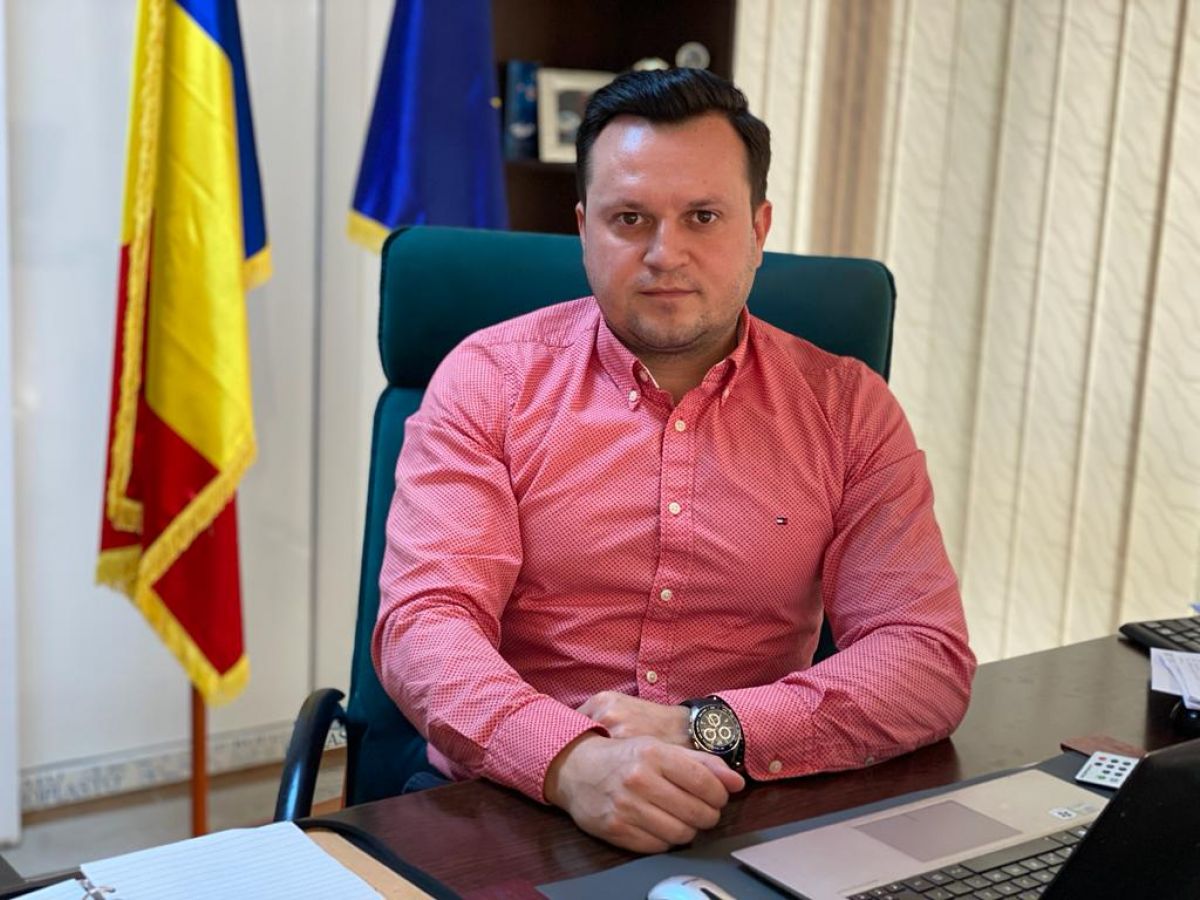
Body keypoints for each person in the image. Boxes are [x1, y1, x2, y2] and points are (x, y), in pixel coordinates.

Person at [372, 67, 976, 854]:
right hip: (511, 806)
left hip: (749, 805)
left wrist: (706, 727)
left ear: (758, 229)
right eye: (630, 218)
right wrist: (570, 762)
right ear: (584, 228)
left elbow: (923, 657)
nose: (665, 254)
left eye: (703, 217)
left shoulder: (847, 409)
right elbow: (426, 624)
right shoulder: (489, 380)